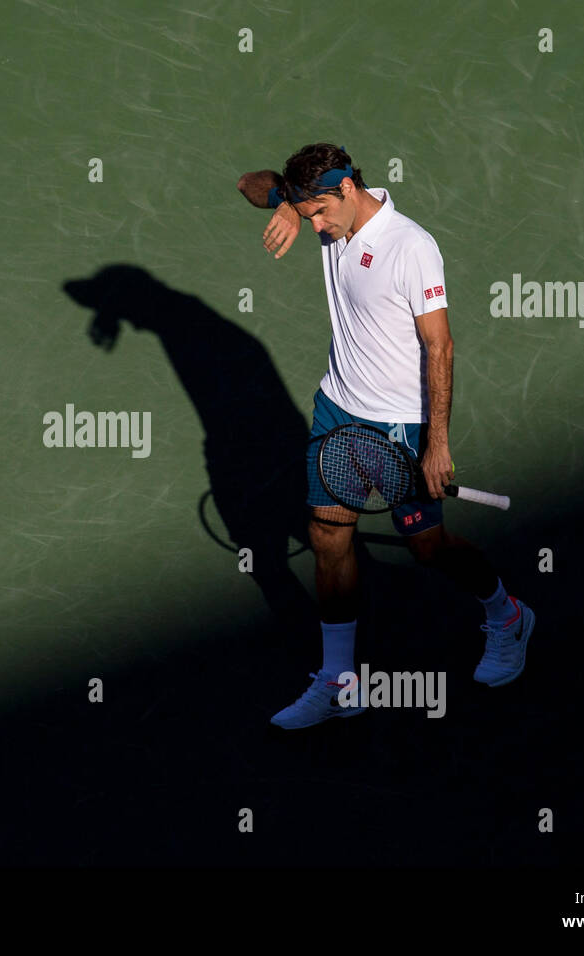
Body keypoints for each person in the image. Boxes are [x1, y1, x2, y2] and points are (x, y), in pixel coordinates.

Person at [236, 144, 535, 729]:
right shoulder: (326, 221)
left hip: (401, 423)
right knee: (328, 540)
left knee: (428, 548)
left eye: (320, 211)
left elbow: (440, 347)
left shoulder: (411, 247)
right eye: (308, 213)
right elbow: (246, 182)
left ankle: (507, 615)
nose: (316, 225)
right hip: (337, 408)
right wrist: (288, 207)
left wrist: (438, 443)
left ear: (348, 189)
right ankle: (341, 682)